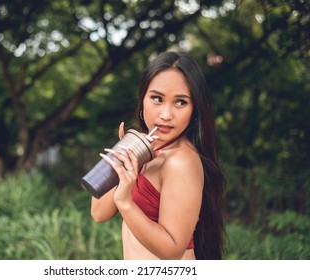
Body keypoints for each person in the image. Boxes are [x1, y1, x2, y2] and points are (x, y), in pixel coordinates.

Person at [90, 51, 225, 260]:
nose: (166, 114)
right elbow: (99, 213)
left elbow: (172, 251)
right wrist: (122, 155)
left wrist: (126, 202)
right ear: (142, 100)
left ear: (194, 110)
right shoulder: (142, 149)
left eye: (180, 102)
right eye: (157, 98)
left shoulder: (181, 162)